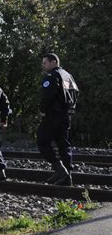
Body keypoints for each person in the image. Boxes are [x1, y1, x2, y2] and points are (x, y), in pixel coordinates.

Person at [37, 53, 79, 186]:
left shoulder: (52, 76)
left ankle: (59, 169)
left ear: (54, 62)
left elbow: (48, 95)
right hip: (66, 116)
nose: (43, 66)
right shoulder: (68, 76)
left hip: (53, 115)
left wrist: (42, 110)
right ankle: (67, 177)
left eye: (45, 63)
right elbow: (76, 92)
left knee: (42, 141)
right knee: (63, 146)